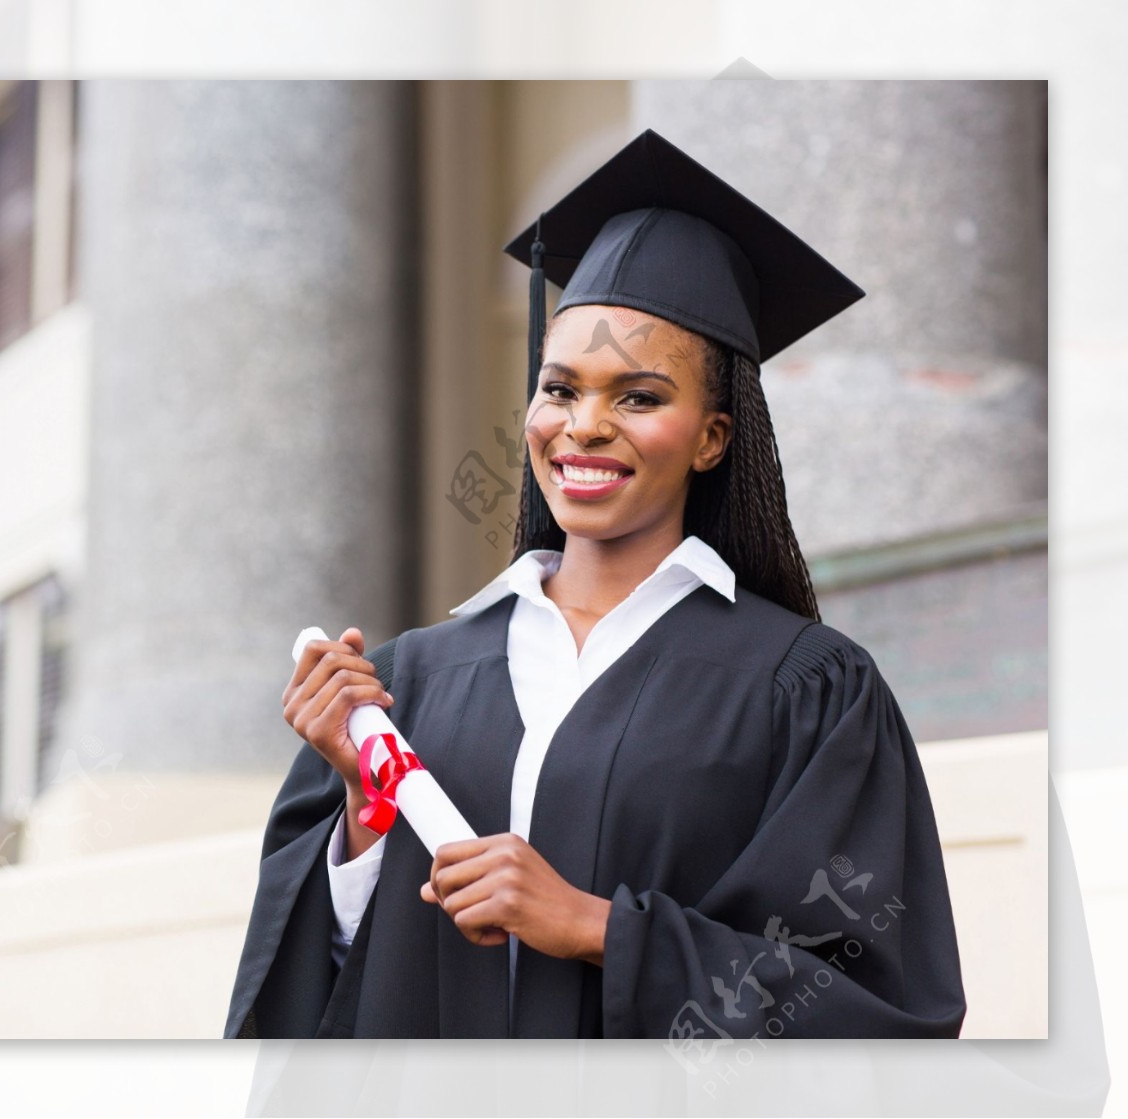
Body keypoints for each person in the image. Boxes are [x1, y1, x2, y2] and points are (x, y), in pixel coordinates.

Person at [224, 129, 967, 1040]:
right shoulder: (407, 684)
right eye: (560, 388)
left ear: (713, 437)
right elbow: (304, 1001)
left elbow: (876, 1010)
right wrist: (366, 815)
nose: (584, 426)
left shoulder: (807, 690)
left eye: (640, 397)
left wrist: (599, 927)